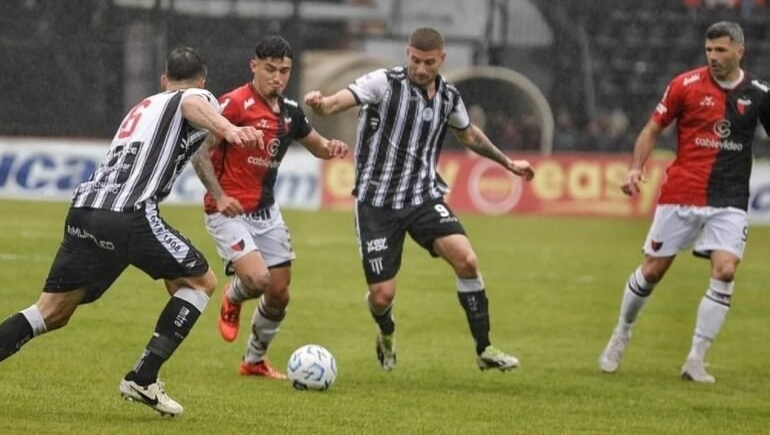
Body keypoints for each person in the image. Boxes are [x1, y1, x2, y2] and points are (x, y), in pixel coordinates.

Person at [0, 46, 261, 416]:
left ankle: (144, 374)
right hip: (128, 213)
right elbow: (190, 103)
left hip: (84, 210)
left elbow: (189, 142)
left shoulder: (144, 106)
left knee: (52, 312)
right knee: (201, 282)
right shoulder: (197, 97)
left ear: (163, 79)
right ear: (202, 81)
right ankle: (143, 376)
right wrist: (230, 128)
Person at [303, 27, 535, 372]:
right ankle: (387, 332)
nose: (421, 68)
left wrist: (508, 163)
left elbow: (469, 135)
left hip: (422, 197)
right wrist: (322, 105)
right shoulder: (383, 83)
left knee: (467, 261)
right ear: (407, 54)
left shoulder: (449, 97)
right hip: (376, 204)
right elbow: (337, 102)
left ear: (442, 59)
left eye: (429, 62)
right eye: (415, 60)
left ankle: (485, 348)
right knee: (382, 296)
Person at [598, 22, 770, 383]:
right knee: (652, 271)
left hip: (730, 198)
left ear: (739, 51)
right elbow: (652, 129)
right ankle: (621, 333)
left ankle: (696, 359)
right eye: (709, 50)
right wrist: (635, 168)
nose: (713, 57)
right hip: (682, 193)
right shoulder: (685, 85)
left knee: (725, 270)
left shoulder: (758, 93)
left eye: (720, 50)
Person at [192, 36, 348, 379]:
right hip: (228, 211)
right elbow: (199, 151)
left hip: (266, 212)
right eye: (270, 69)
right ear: (254, 66)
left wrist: (332, 147)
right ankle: (234, 296)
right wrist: (219, 195)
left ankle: (254, 361)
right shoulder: (233, 105)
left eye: (284, 71)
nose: (277, 77)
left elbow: (318, 146)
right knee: (258, 279)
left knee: (279, 293)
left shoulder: (291, 112)